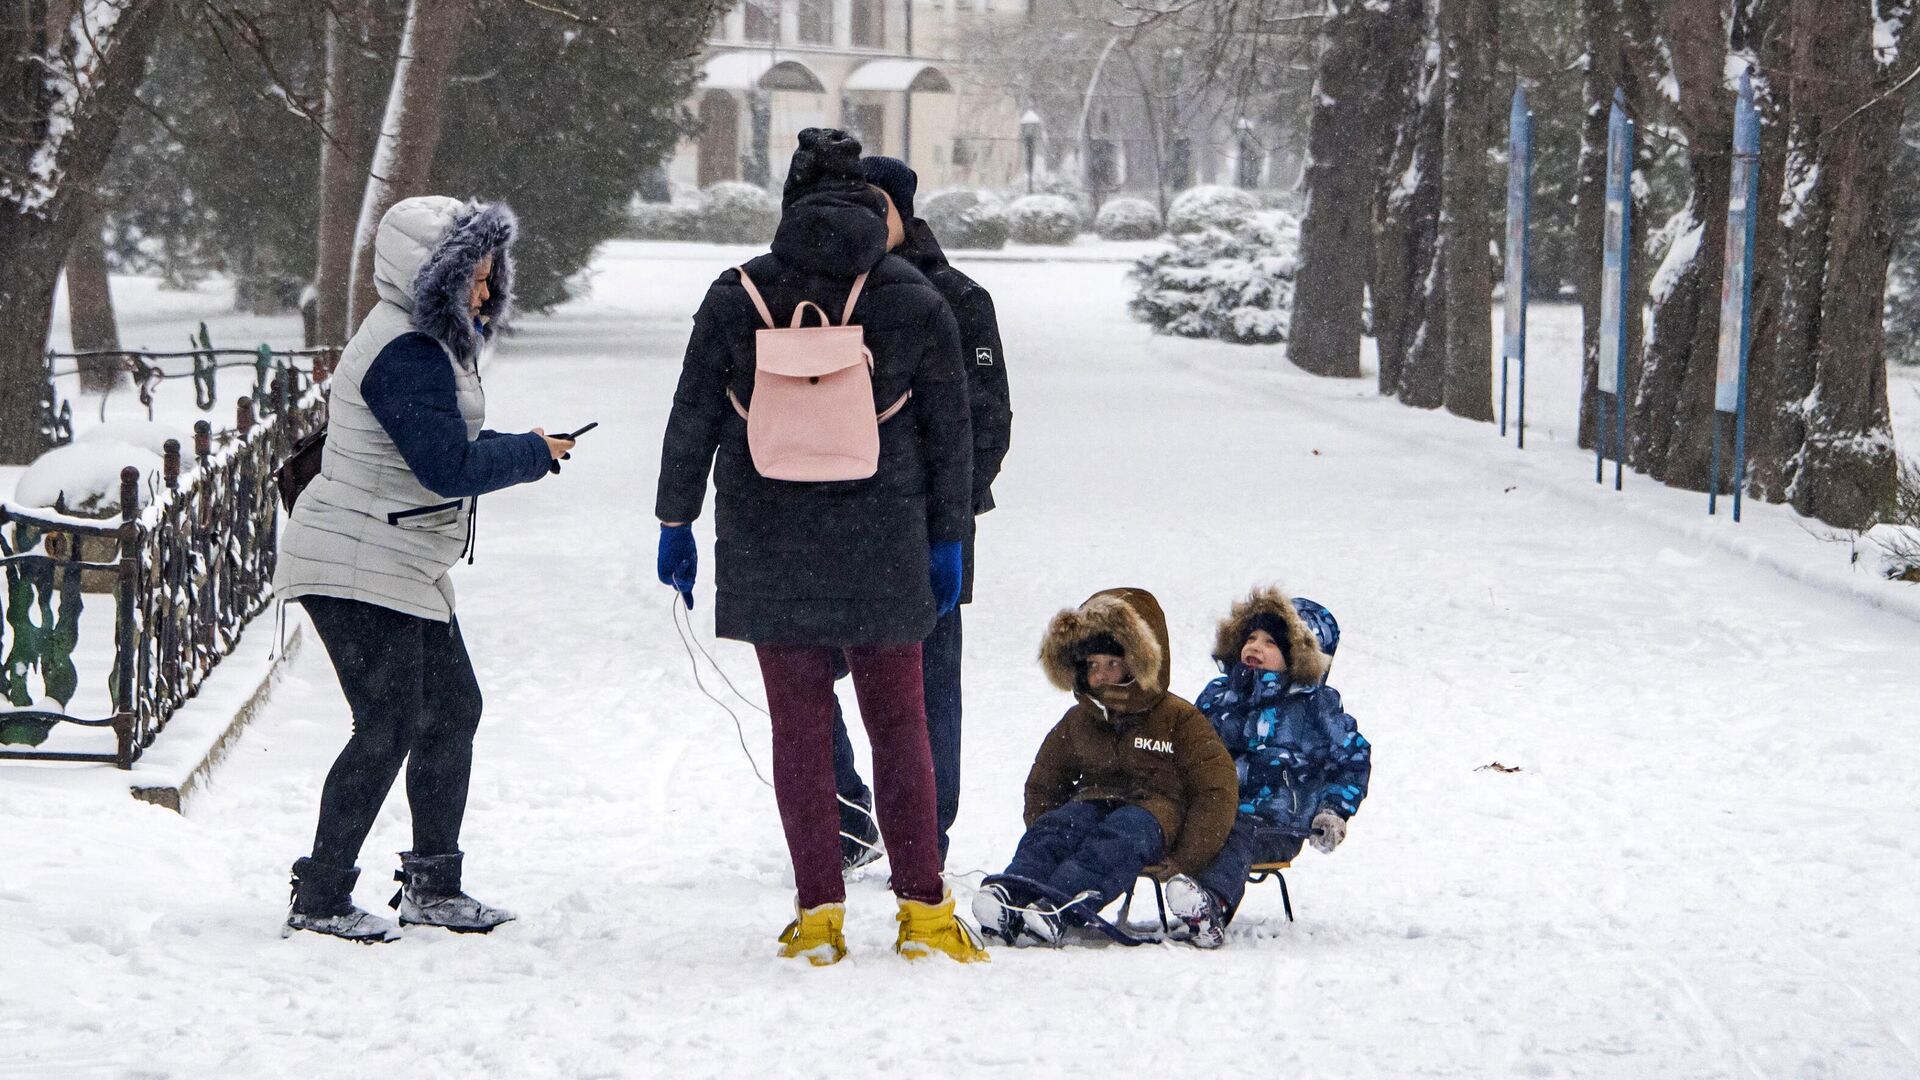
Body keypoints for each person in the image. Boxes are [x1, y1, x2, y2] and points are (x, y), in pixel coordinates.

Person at [653, 128, 983, 965]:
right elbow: (953, 435)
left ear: (790, 200)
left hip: (769, 538)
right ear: (873, 207)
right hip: (887, 536)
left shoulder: (736, 295)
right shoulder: (912, 297)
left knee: (799, 729)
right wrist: (949, 537)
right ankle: (924, 913)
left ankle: (819, 917)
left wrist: (674, 521)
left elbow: (693, 415)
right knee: (899, 724)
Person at [274, 196, 575, 943]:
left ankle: (433, 885)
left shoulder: (426, 341)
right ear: (430, 274)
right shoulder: (405, 349)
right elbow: (446, 465)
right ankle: (320, 896)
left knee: (452, 709)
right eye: (472, 276)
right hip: (355, 555)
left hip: (394, 553)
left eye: (489, 276)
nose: (484, 290)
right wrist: (533, 454)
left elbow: (439, 440)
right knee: (389, 722)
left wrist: (529, 443)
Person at [828, 156, 1014, 869]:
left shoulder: (961, 298)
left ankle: (924, 833)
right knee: (809, 669)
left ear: (905, 210)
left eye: (879, 207)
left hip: (927, 526)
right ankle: (847, 814)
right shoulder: (827, 290)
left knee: (929, 684)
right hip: (835, 521)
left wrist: (950, 513)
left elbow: (988, 419)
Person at [971, 588, 1238, 947]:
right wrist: (1046, 822)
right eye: (1093, 666)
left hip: (1154, 815)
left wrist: (1184, 859)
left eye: (1113, 664)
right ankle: (1013, 892)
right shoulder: (1080, 720)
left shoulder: (1178, 719)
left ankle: (1060, 904)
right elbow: (1046, 780)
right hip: (1093, 801)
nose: (1102, 676)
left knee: (1118, 838)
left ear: (1139, 662)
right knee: (1058, 827)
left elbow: (1216, 789)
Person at [1163, 589, 1370, 947]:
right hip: (1213, 810)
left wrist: (1333, 810)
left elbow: (1351, 760)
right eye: (1251, 638)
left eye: (1271, 642)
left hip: (1277, 823)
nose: (1255, 646)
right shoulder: (1219, 695)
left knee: (1240, 829)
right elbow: (1187, 747)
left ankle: (1211, 905)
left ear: (1299, 656)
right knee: (1157, 821)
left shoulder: (1316, 707)